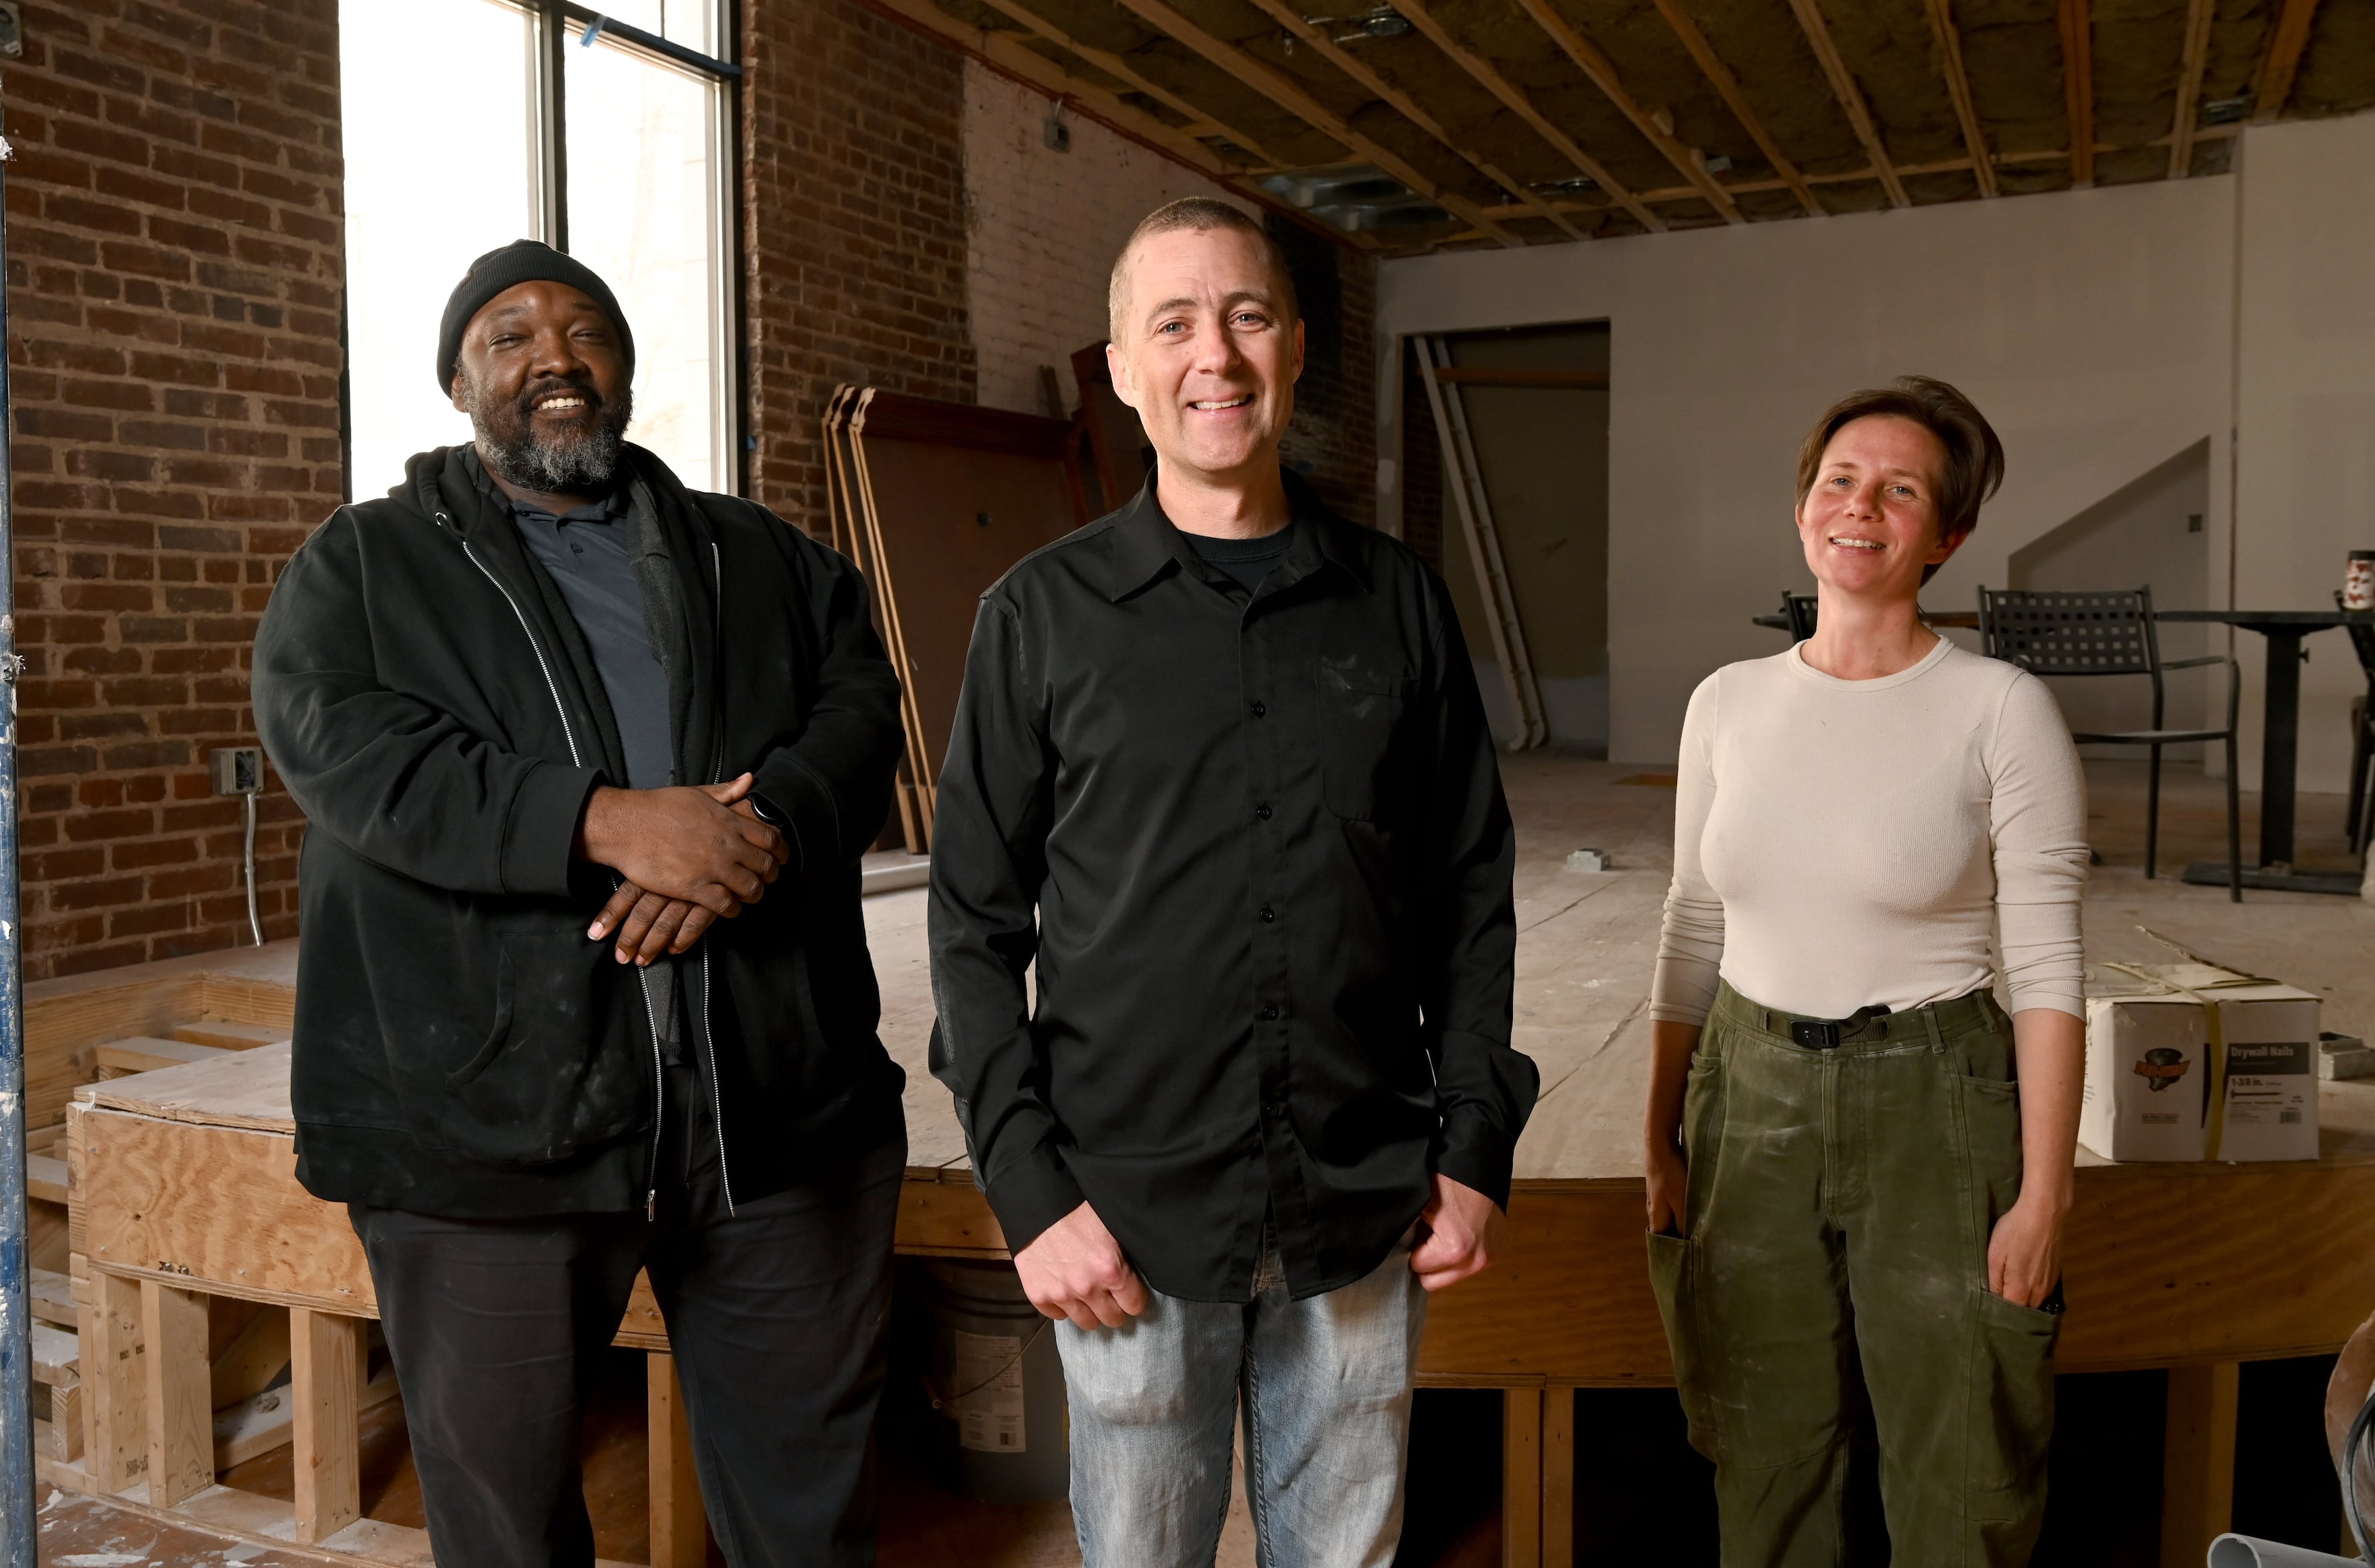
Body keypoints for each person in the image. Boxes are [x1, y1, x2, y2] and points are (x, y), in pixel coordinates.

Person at [252, 241, 908, 1568]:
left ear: (621, 368)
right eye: (509, 336)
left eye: (585, 331)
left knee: (810, 1505)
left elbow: (861, 704)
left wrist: (761, 831)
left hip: (774, 1115)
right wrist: (605, 824)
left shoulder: (756, 555)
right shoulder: (366, 566)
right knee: (504, 1519)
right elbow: (344, 747)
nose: (554, 355)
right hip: (491, 1130)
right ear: (458, 386)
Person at [928, 196, 1539, 1567]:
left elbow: (1469, 890)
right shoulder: (1038, 617)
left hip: (1362, 1196)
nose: (1216, 354)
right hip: (1126, 1219)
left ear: (1297, 348)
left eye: (1248, 316)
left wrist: (1475, 1140)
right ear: (1124, 367)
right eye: (1175, 324)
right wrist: (1029, 1195)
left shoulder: (1398, 603)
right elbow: (970, 927)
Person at [1642, 377, 2089, 1567]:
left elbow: (2048, 967)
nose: (1859, 506)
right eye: (1839, 480)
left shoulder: (2001, 709)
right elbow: (1692, 923)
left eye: (1900, 491)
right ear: (1803, 507)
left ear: (1947, 536)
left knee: (1962, 1466)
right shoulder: (1726, 703)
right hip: (1746, 1097)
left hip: (1934, 1104)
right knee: (1765, 1452)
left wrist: (2045, 1196)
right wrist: (1658, 1136)